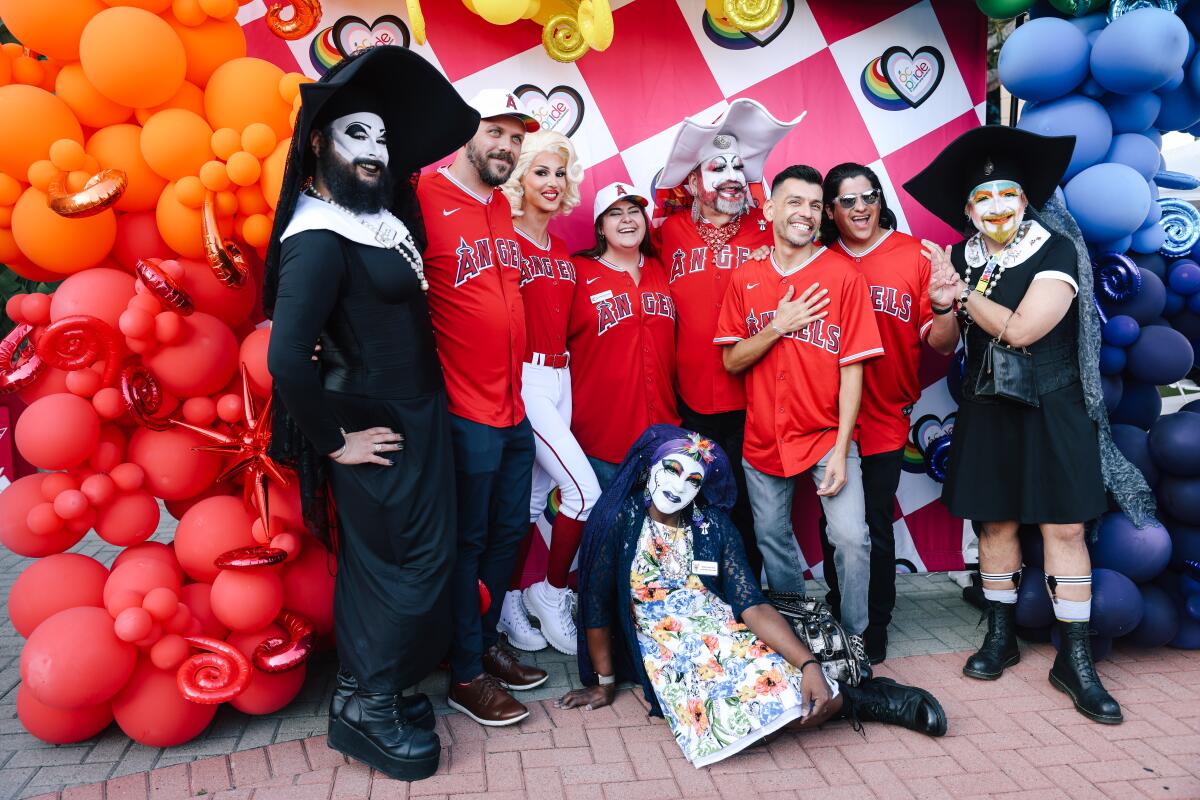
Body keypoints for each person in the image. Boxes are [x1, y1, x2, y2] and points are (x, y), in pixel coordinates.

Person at [264, 46, 477, 779]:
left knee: (396, 564)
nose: (375, 151)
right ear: (319, 140)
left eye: (382, 138)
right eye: (357, 134)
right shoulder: (317, 237)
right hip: (373, 421)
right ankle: (370, 702)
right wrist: (334, 443)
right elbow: (287, 359)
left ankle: (365, 694)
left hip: (415, 413)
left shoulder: (371, 221)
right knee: (403, 568)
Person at [903, 125, 1155, 724]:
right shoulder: (961, 258)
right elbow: (942, 343)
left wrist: (961, 295)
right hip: (989, 406)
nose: (996, 208)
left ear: (1025, 200)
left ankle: (1075, 658)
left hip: (1054, 405)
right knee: (996, 523)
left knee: (1064, 529)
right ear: (968, 209)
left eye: (1007, 195)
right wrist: (942, 304)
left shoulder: (1056, 250)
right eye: (983, 200)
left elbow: (1022, 329)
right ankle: (1000, 635)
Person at [559, 424, 947, 768]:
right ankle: (857, 701)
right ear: (650, 470)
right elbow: (596, 606)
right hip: (664, 645)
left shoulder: (714, 526)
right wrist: (605, 681)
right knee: (727, 721)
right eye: (672, 470)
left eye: (693, 480)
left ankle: (867, 699)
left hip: (720, 627)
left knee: (790, 687)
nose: (679, 486)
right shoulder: (620, 520)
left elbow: (752, 605)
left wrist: (809, 664)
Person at [416, 88, 548, 727]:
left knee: (507, 533)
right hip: (463, 408)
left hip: (513, 405)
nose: (508, 146)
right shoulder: (422, 196)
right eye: (497, 132)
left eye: (517, 138)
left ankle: (482, 640)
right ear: (469, 133)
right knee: (466, 542)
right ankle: (463, 673)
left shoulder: (499, 204)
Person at [715, 165, 882, 637]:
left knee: (851, 539)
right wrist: (776, 327)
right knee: (772, 541)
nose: (805, 214)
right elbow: (730, 361)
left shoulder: (843, 275)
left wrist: (843, 450)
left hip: (828, 435)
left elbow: (853, 369)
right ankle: (801, 637)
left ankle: (853, 641)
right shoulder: (746, 276)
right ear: (769, 208)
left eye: (813, 205)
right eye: (794, 202)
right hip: (765, 436)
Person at [814, 163, 959, 664]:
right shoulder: (817, 258)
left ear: (880, 199)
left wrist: (944, 308)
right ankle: (838, 610)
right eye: (847, 201)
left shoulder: (913, 254)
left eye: (868, 196)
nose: (859, 208)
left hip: (883, 414)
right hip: (824, 416)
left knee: (872, 522)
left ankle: (874, 625)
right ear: (830, 210)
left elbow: (943, 343)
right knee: (833, 525)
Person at [656, 99, 803, 577]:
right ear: (694, 182)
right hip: (690, 394)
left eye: (739, 166)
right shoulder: (666, 232)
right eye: (717, 167)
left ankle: (750, 594)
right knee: (692, 496)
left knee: (752, 503)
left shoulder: (768, 230)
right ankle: (703, 594)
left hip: (758, 393)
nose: (731, 175)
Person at [495, 130, 600, 656]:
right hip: (526, 379)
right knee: (583, 493)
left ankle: (510, 598)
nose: (553, 182)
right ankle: (550, 591)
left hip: (561, 378)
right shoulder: (503, 237)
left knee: (534, 500)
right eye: (540, 171)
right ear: (518, 178)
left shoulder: (558, 246)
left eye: (560, 172)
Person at [568, 183, 680, 489]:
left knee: (658, 536)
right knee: (609, 533)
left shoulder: (663, 267)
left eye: (634, 211)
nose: (627, 219)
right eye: (615, 214)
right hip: (601, 437)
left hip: (664, 433)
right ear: (601, 228)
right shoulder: (577, 271)